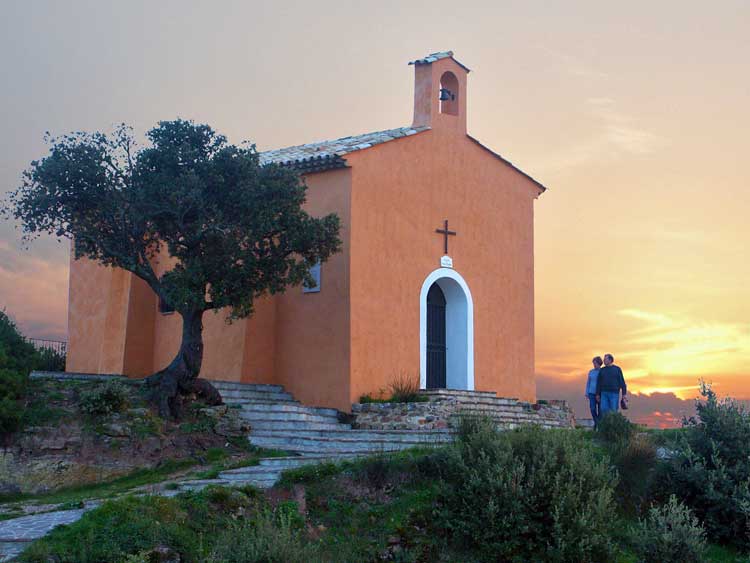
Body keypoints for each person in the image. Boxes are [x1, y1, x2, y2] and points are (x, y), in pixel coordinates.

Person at [585, 356, 603, 427]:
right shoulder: (591, 372)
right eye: (593, 363)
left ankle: (597, 425)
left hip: (600, 393)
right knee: (592, 408)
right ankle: (597, 422)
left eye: (595, 363)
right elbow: (588, 382)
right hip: (591, 393)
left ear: (599, 363)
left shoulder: (602, 372)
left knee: (600, 410)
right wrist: (586, 392)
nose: (594, 365)